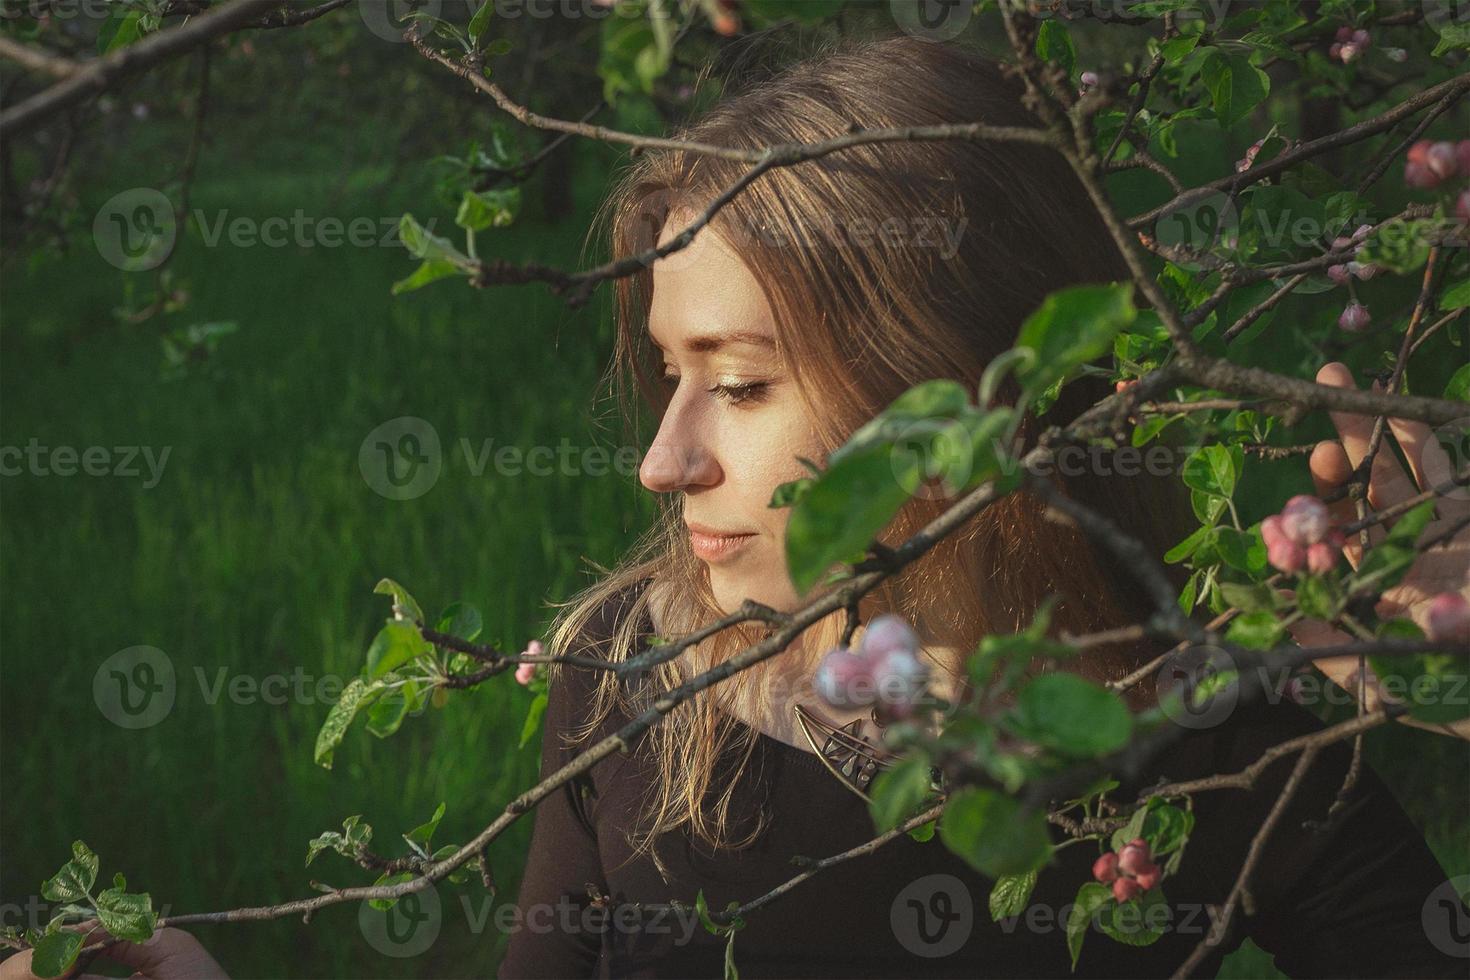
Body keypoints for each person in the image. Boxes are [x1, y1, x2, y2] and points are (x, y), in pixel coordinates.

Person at [7, 30, 1465, 980]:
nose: (663, 459)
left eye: (746, 383)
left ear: (961, 391)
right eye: (666, 374)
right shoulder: (637, 685)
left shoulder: (1208, 723)